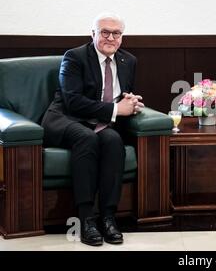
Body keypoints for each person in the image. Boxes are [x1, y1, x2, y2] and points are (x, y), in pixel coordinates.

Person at [41, 13, 144, 246]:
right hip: (65, 118)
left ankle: (108, 218)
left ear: (122, 37)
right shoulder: (75, 57)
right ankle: (86, 219)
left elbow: (120, 96)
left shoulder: (129, 61)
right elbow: (72, 101)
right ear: (93, 34)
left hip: (97, 122)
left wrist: (131, 102)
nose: (110, 38)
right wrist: (117, 109)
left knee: (113, 141)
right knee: (86, 139)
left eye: (116, 33)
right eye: (104, 32)